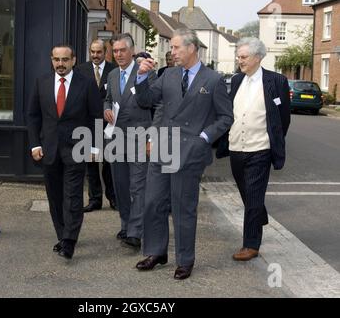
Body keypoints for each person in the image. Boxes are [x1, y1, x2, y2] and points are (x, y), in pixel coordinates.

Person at [134, 28, 233, 280]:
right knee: (153, 203)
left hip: (190, 153)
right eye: (172, 48)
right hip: (162, 148)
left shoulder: (213, 80)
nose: (172, 52)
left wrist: (204, 138)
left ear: (192, 48)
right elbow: (145, 100)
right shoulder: (168, 75)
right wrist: (141, 76)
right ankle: (157, 252)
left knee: (183, 208)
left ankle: (185, 260)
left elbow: (225, 118)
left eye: (176, 47)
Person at [216, 37, 291, 261]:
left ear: (258, 57)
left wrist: (273, 141)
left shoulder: (276, 81)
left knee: (254, 193)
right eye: (238, 56)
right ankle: (259, 214)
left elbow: (283, 118)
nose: (239, 60)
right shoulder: (237, 80)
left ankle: (251, 244)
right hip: (237, 146)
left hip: (261, 148)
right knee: (247, 193)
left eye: (244, 57)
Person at [27, 45, 102, 260]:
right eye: (56, 59)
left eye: (65, 59)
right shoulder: (41, 82)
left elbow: (96, 117)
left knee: (73, 196)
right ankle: (62, 236)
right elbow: (33, 116)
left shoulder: (86, 84)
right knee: (55, 197)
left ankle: (70, 240)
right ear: (51, 60)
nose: (60, 64)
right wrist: (35, 145)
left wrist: (95, 147)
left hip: (77, 149)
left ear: (73, 60)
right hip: (49, 150)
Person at [104, 33, 155, 250]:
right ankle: (125, 225)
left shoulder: (145, 73)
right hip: (116, 138)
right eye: (115, 51)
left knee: (137, 186)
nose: (118, 55)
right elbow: (108, 98)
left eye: (122, 50)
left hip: (139, 137)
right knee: (121, 186)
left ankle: (135, 231)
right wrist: (106, 108)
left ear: (132, 50)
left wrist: (152, 138)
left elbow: (153, 104)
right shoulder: (113, 75)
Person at [76, 39, 117, 213]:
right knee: (91, 163)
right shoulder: (80, 70)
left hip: (109, 125)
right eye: (92, 52)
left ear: (105, 52)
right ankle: (95, 200)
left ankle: (113, 198)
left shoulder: (114, 70)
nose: (95, 55)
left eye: (99, 52)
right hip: (87, 124)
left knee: (109, 163)